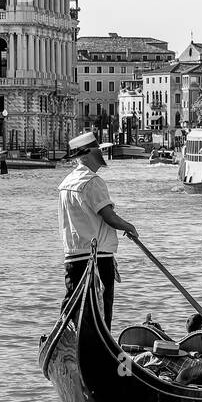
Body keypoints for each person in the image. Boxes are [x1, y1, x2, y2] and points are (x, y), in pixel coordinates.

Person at [58, 130, 139, 330]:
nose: (100, 154)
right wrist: (129, 227)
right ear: (87, 154)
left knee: (72, 310)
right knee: (102, 315)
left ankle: (67, 344)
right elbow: (108, 216)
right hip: (97, 259)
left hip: (73, 258)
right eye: (97, 150)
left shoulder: (65, 184)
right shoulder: (93, 182)